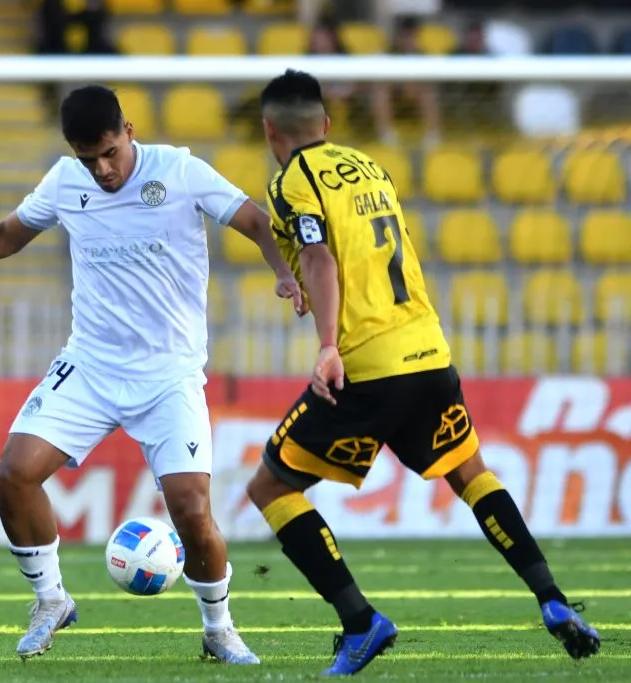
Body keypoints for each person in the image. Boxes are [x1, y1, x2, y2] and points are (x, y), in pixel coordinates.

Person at [0, 84, 304, 664]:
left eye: (109, 153)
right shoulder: (67, 180)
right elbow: (8, 234)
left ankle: (219, 629)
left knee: (192, 511)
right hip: (90, 365)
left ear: (129, 131)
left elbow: (253, 220)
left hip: (169, 375)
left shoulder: (179, 170)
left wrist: (284, 274)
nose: (101, 169)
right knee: (13, 474)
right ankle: (51, 600)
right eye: (87, 157)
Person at [244, 70, 601, 676]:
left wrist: (328, 345)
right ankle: (553, 600)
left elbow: (319, 256)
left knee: (271, 489)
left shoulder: (291, 182)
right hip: (430, 353)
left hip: (368, 365)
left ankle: (361, 623)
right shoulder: (370, 168)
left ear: (268, 129)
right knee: (472, 475)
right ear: (327, 126)